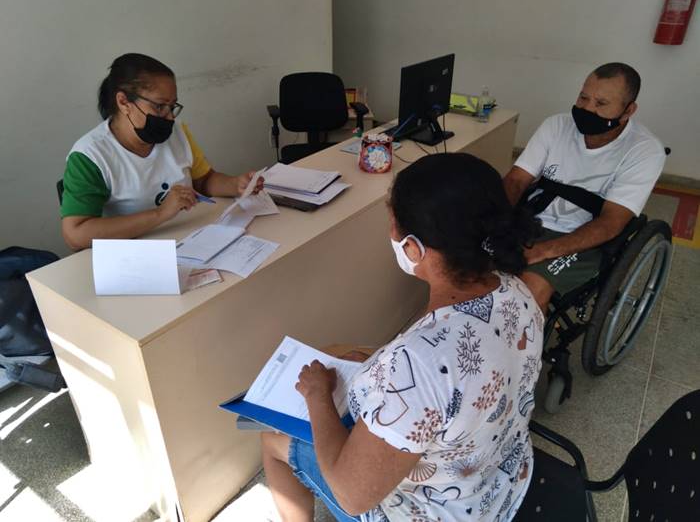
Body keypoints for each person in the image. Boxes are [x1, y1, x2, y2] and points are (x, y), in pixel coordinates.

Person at [261, 153, 544, 522]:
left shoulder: (417, 362)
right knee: (350, 353)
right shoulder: (517, 292)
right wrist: (381, 368)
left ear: (414, 247)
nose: (391, 234)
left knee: (271, 439)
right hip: (502, 484)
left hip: (435, 513)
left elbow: (353, 496)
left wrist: (318, 396)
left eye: (393, 224)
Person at [503, 62, 667, 310]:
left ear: (628, 110)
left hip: (581, 236)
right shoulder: (556, 126)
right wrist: (497, 220)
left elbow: (611, 222)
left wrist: (543, 251)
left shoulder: (645, 151)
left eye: (601, 103)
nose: (587, 109)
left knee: (527, 293)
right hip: (531, 217)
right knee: (465, 263)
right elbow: (516, 180)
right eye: (583, 97)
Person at [60, 53, 263, 251]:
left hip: (189, 239)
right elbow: (75, 235)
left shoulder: (177, 132)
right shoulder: (90, 156)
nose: (169, 117)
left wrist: (236, 184)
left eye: (172, 106)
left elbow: (204, 180)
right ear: (123, 102)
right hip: (132, 255)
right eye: (159, 106)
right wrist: (161, 213)